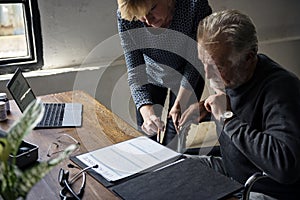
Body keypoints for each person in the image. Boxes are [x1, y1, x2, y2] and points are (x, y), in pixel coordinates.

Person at [184, 9, 300, 199]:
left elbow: (285, 166)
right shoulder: (233, 75)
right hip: (233, 173)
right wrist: (206, 106)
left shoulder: (282, 90)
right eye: (203, 63)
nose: (208, 75)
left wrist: (227, 118)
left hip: (265, 190)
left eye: (216, 66)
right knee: (172, 169)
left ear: (249, 57)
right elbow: (242, 105)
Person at [117, 0, 212, 147]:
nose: (148, 21)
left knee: (173, 144)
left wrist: (179, 103)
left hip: (189, 73)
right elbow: (135, 73)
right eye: (140, 16)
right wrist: (148, 114)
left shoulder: (194, 5)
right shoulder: (128, 17)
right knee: (147, 141)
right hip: (152, 74)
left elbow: (196, 61)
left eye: (152, 9)